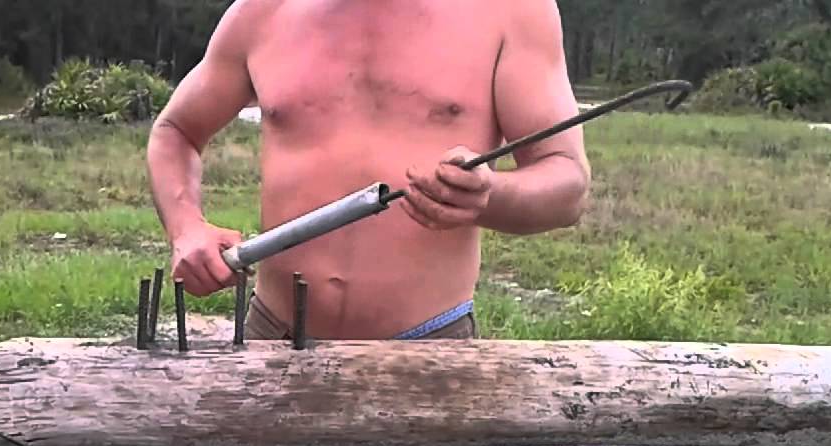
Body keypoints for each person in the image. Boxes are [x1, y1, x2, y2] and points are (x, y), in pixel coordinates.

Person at [146, 0, 592, 341]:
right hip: (275, 338)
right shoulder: (262, 11)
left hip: (430, 349)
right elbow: (176, 131)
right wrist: (187, 227)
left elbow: (567, 184)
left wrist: (489, 196)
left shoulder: (511, 11)